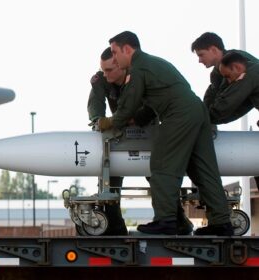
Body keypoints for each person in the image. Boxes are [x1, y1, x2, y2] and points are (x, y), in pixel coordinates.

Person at [99, 31, 232, 235]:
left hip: (178, 116)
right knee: (203, 169)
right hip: (197, 112)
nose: (114, 58)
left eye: (115, 53)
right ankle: (222, 223)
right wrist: (139, 119)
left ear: (127, 49)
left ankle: (166, 220)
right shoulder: (153, 63)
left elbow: (126, 108)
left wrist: (108, 122)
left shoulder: (139, 68)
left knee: (162, 166)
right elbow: (153, 103)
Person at [87, 47, 128, 235]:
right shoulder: (102, 79)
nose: (105, 75)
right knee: (109, 183)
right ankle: (115, 227)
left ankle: (175, 221)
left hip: (147, 128)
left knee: (159, 181)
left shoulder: (138, 78)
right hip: (117, 131)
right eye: (103, 70)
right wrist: (98, 121)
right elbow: (96, 103)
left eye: (110, 70)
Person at [191, 32, 258, 124]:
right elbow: (213, 96)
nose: (199, 60)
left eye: (201, 55)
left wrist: (204, 120)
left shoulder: (240, 65)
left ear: (214, 50)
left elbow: (230, 101)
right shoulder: (217, 75)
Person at [208, 51, 259, 123]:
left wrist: (204, 118)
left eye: (228, 76)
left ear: (237, 67)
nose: (229, 81)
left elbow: (227, 104)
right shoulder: (254, 69)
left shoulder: (248, 76)